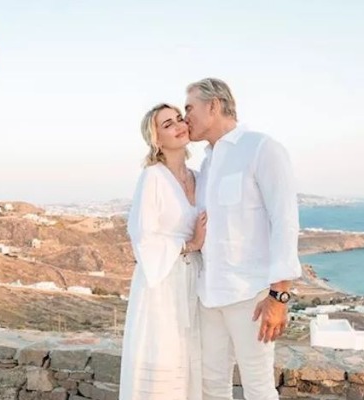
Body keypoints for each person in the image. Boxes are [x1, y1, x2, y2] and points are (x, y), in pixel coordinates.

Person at [184, 78, 302, 400]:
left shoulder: (262, 148)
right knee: (211, 387)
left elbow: (285, 221)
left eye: (190, 108)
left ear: (214, 105)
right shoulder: (207, 164)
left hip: (251, 297)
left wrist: (279, 296)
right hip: (209, 297)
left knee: (258, 388)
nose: (185, 117)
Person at [119, 103, 206, 400]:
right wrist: (190, 244)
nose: (179, 125)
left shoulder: (199, 177)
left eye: (179, 118)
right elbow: (142, 237)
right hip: (162, 284)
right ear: (156, 139)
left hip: (195, 282)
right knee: (164, 360)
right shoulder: (153, 177)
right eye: (168, 124)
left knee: (190, 362)